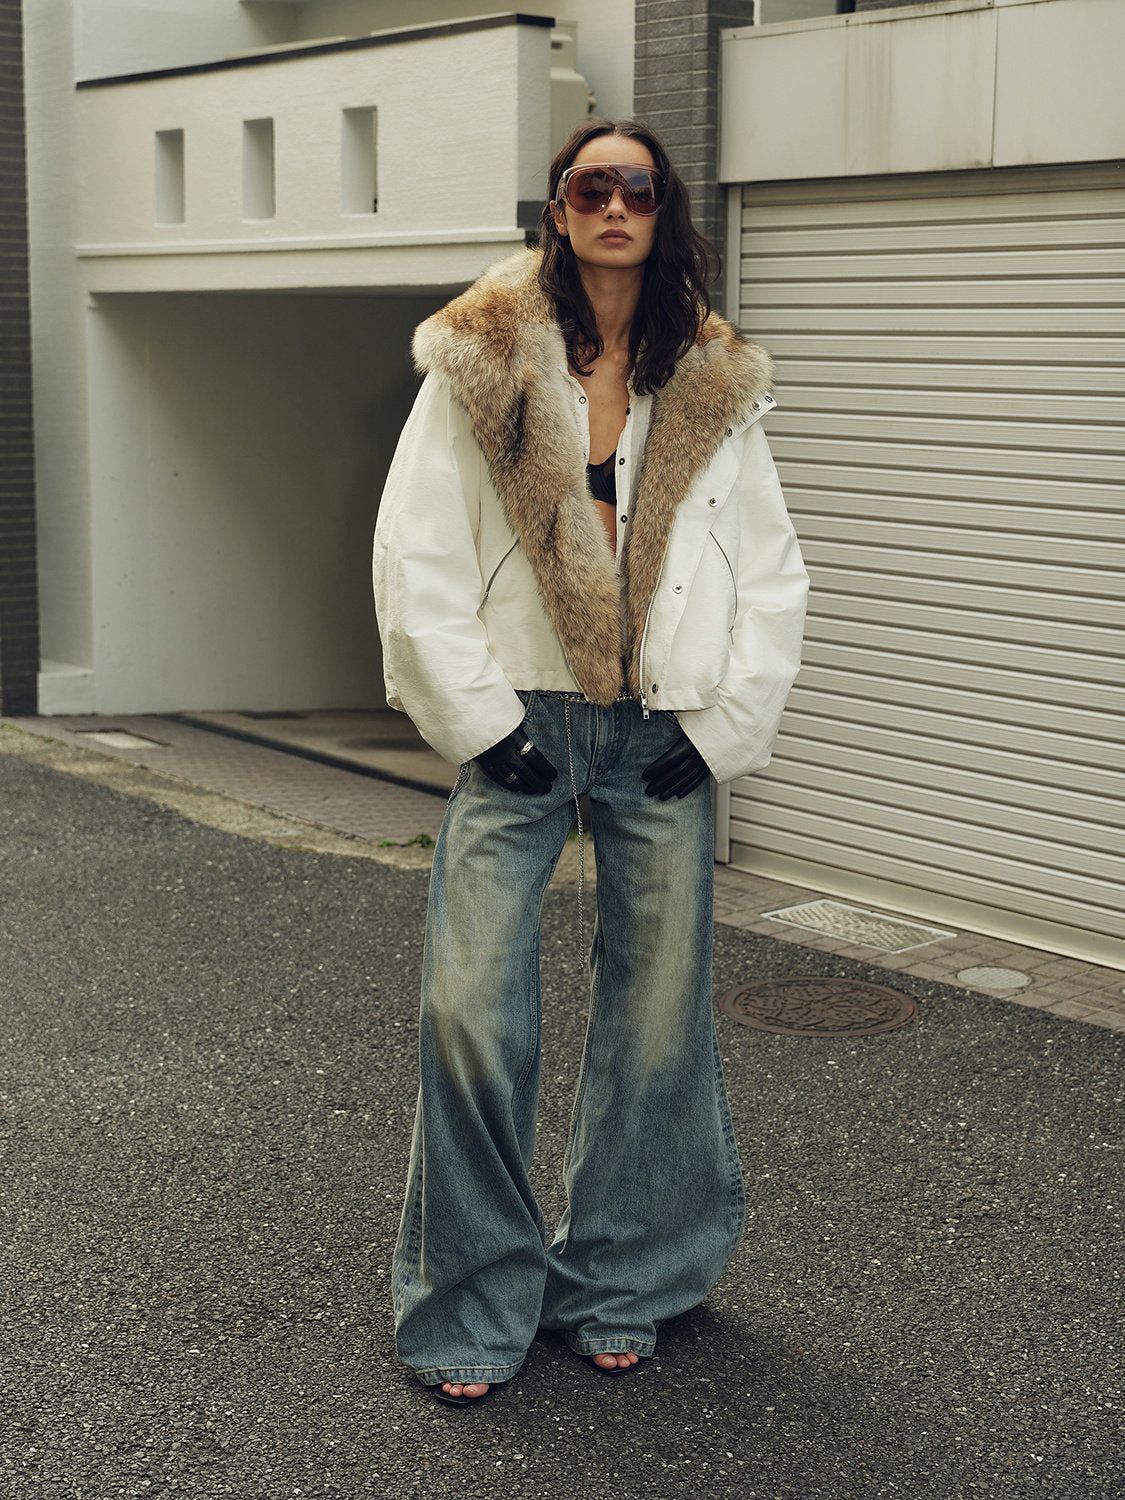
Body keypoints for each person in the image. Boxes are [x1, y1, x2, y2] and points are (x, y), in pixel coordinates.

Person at [372, 119, 808, 1406]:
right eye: (590, 185)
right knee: (469, 1009)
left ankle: (622, 1277)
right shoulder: (483, 361)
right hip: (520, 720)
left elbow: (770, 571)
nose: (615, 204)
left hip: (660, 732)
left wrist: (718, 731)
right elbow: (415, 549)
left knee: (657, 1020)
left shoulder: (712, 378)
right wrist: (480, 723)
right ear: (559, 210)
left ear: (665, 212)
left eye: (639, 187)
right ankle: (470, 1298)